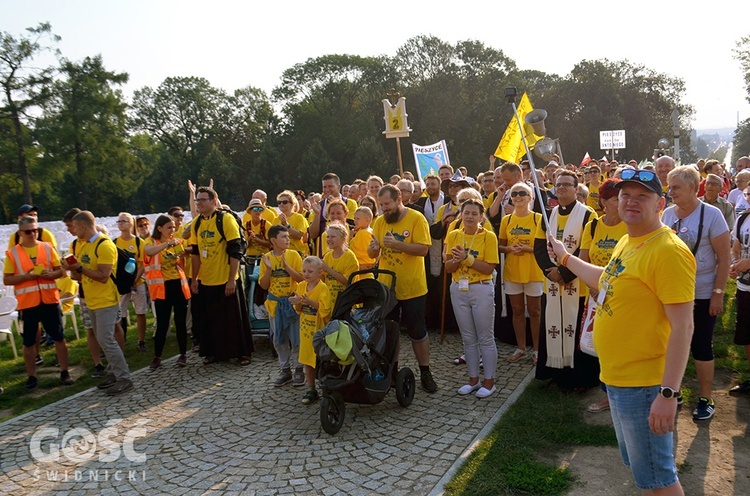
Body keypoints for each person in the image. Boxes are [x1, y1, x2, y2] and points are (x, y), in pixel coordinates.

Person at [547, 169, 695, 495]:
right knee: (645, 473)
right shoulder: (630, 239)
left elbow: (684, 326)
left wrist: (668, 394)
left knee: (659, 481)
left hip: (644, 385)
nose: (631, 202)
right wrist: (567, 258)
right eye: (626, 195)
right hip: (617, 379)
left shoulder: (668, 251)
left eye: (643, 196)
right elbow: (606, 277)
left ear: (661, 203)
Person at [662, 165, 730, 420]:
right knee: (671, 344)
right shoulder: (667, 215)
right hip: (671, 293)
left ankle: (705, 397)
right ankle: (673, 391)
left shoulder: (712, 215)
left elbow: (724, 259)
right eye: (669, 186)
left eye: (676, 187)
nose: (671, 191)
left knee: (701, 345)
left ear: (693, 187)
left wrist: (718, 293)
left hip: (701, 292)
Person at [533, 170, 599, 390]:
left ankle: (578, 379)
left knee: (574, 330)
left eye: (567, 184)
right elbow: (539, 247)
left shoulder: (588, 215)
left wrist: (565, 273)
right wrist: (550, 271)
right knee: (553, 327)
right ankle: (555, 374)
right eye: (558, 184)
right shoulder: (547, 214)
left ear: (576, 187)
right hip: (551, 284)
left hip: (577, 284)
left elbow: (585, 248)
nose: (561, 188)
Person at [368, 184, 437, 393]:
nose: (384, 209)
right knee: (389, 332)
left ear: (399, 200)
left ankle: (425, 371)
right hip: (386, 288)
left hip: (413, 287)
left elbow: (424, 249)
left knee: (417, 331)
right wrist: (372, 250)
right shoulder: (380, 222)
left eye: (387, 204)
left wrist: (398, 245)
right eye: (381, 205)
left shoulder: (417, 218)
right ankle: (391, 371)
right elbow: (374, 253)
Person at [65, 211, 134, 395]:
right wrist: (73, 270)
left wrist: (80, 268)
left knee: (107, 340)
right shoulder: (84, 246)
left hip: (106, 300)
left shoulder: (104, 245)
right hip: (92, 300)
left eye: (74, 226)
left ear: (83, 227)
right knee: (103, 340)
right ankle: (113, 373)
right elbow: (82, 274)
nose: (72, 230)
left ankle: (124, 377)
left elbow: (103, 276)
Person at [4, 216, 74, 389]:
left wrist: (52, 275)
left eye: (35, 230)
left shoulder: (48, 247)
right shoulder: (13, 253)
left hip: (49, 300)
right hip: (28, 303)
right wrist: (26, 276)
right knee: (28, 342)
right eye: (28, 231)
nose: (33, 234)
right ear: (20, 233)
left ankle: (65, 372)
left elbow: (61, 272)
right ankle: (32, 376)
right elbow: (7, 280)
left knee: (59, 337)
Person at [579, 179, 628, 413]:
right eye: (617, 199)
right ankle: (607, 393)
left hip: (622, 295)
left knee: (622, 344)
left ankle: (623, 390)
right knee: (602, 345)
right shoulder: (592, 226)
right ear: (604, 202)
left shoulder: (630, 226)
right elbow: (583, 259)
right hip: (595, 294)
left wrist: (606, 287)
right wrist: (593, 285)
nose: (623, 203)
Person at [189, 186, 253, 366]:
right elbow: (195, 253)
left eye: (202, 200)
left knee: (233, 319)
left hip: (226, 279)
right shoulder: (197, 223)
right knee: (211, 320)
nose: (199, 203)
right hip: (207, 280)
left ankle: (241, 353)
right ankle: (215, 352)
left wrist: (231, 279)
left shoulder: (225, 219)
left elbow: (235, 250)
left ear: (213, 201)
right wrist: (194, 279)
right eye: (197, 200)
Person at [444, 198, 499, 397]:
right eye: (466, 213)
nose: (469, 217)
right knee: (468, 337)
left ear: (481, 216)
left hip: (481, 288)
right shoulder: (454, 235)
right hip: (459, 287)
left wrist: (467, 259)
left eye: (474, 214)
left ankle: (489, 382)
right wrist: (457, 261)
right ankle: (473, 380)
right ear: (461, 214)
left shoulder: (488, 237)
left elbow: (489, 267)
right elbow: (448, 266)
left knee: (485, 337)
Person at [498, 182, 543, 364]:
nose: (518, 196)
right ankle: (521, 348)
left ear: (530, 197)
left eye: (522, 193)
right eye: (514, 193)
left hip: (533, 271)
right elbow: (500, 245)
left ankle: (538, 350)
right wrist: (509, 248)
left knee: (535, 311)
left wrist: (529, 248)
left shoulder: (538, 219)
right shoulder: (506, 220)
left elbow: (545, 247)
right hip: (512, 271)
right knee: (517, 311)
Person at [144, 215, 191, 369]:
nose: (172, 230)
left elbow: (185, 251)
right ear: (159, 228)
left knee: (180, 322)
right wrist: (167, 245)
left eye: (173, 227)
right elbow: (149, 252)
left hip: (178, 286)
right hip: (161, 289)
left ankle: (183, 354)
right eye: (169, 228)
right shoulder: (151, 242)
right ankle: (157, 357)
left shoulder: (176, 241)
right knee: (162, 324)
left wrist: (184, 251)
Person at [259, 225, 304, 386]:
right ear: (273, 240)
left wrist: (287, 268)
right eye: (284, 237)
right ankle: (285, 370)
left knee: (296, 338)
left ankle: (299, 368)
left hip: (292, 303)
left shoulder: (294, 255)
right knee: (279, 339)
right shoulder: (266, 258)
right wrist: (269, 270)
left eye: (288, 236)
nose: (288, 239)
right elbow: (264, 286)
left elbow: (301, 279)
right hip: (274, 304)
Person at [290, 256, 332, 404]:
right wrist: (298, 303)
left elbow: (325, 310)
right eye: (304, 271)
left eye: (310, 271)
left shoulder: (323, 288)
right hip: (305, 330)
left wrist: (308, 301)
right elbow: (299, 310)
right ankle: (311, 389)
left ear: (320, 273)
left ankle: (327, 388)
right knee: (308, 360)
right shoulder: (301, 286)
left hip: (319, 331)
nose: (306, 274)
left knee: (323, 360)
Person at [114, 212, 148, 351]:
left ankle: (141, 340)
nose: (121, 224)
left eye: (124, 221)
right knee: (120, 313)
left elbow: (143, 263)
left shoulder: (139, 242)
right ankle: (122, 339)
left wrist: (135, 279)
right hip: (122, 283)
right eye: (119, 221)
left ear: (131, 224)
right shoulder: (115, 242)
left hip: (137, 282)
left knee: (140, 311)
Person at [729, 206, 750, 394]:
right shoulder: (742, 219)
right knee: (747, 335)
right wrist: (734, 264)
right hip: (745, 286)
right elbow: (735, 249)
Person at [321, 223, 359, 305]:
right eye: (328, 236)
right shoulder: (327, 256)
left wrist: (328, 269)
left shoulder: (350, 257)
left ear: (343, 239)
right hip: (329, 302)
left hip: (345, 303)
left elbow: (347, 281)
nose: (329, 239)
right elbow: (323, 279)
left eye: (333, 237)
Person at [273, 190, 309, 257]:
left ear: (292, 204)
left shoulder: (299, 218)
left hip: (297, 254)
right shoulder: (275, 220)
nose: (281, 204)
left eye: (284, 202)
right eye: (279, 202)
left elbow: (299, 236)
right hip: (282, 255)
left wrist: (286, 225)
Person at [349, 206, 377, 271]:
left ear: (367, 220)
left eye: (358, 219)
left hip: (361, 267)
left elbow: (352, 249)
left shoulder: (363, 233)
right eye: (354, 218)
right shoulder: (371, 231)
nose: (355, 221)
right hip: (369, 266)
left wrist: (350, 237)